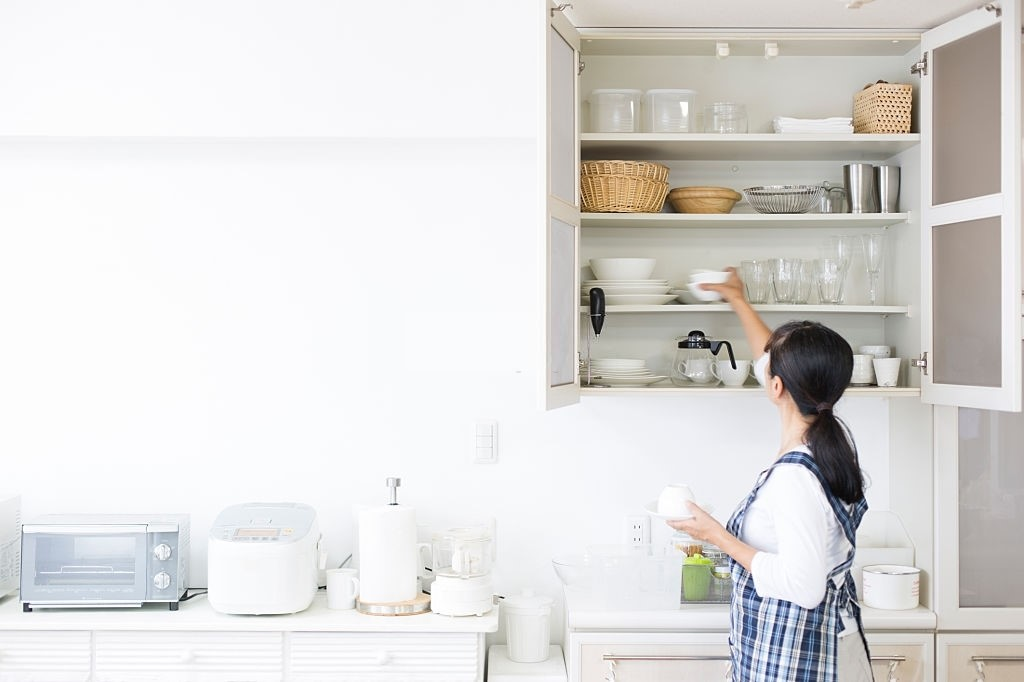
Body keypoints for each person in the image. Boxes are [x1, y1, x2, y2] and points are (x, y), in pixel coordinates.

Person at [669, 266, 874, 682]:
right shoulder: (831, 448)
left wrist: (716, 537)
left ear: (778, 387)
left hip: (801, 660)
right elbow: (771, 361)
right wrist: (738, 299)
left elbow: (804, 586)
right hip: (830, 648)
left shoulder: (794, 478)